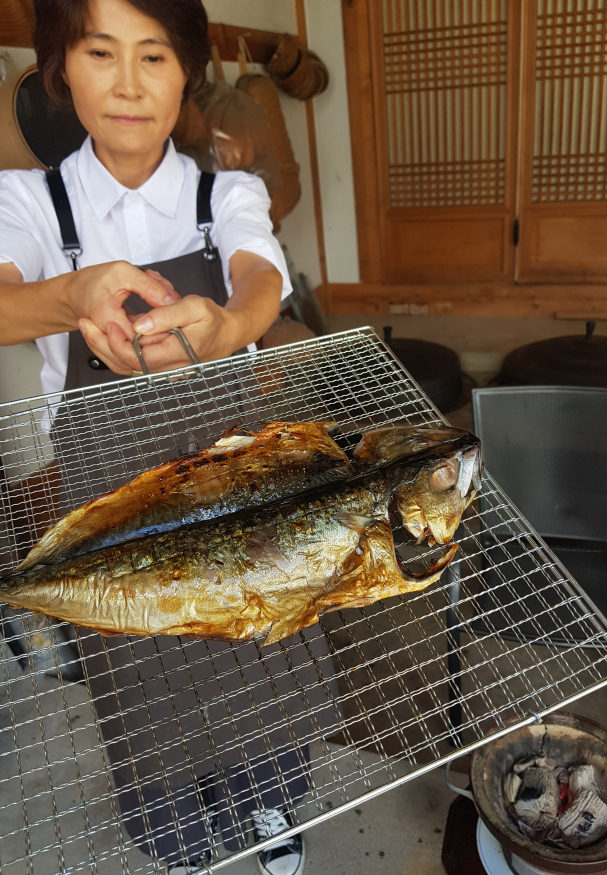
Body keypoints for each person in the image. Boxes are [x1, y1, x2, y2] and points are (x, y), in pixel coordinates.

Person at [0, 1, 342, 873]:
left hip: (233, 479)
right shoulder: (26, 202)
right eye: (99, 53)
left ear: (185, 73)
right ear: (58, 70)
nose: (126, 83)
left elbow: (260, 274)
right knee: (143, 669)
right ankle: (172, 833)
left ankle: (264, 802)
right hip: (110, 496)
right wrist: (72, 296)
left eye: (153, 56)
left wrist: (234, 326)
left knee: (262, 636)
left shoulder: (221, 189)